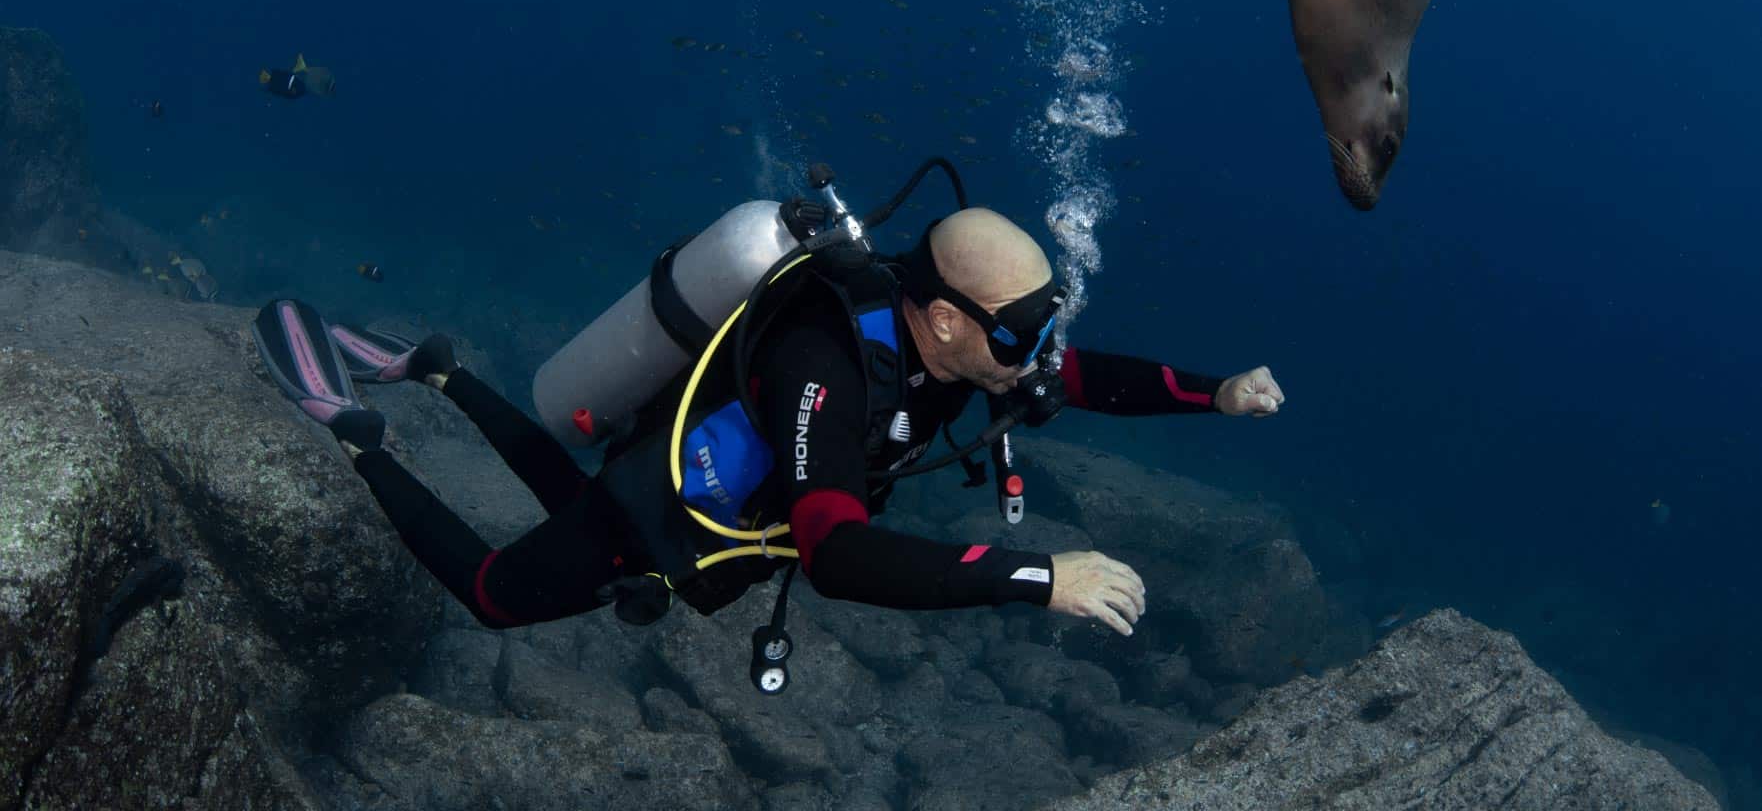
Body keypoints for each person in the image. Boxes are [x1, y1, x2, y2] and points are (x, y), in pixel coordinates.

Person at [255, 207, 1283, 640]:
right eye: (1020, 330)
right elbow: (833, 552)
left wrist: (1216, 391)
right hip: (669, 505)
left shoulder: (962, 345)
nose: (1037, 352)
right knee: (495, 595)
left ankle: (441, 375)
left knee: (577, 505)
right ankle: (355, 433)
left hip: (706, 495)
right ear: (939, 317)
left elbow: (1089, 377)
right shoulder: (825, 372)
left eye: (1039, 323)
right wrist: (1036, 579)